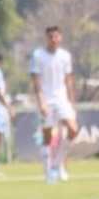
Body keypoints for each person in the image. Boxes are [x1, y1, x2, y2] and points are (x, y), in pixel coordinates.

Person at [30, 26, 77, 183]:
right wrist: (41, 102)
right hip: (47, 99)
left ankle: (57, 164)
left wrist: (71, 102)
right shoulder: (38, 55)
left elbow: (69, 80)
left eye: (56, 36)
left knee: (73, 129)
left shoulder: (65, 56)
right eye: (50, 37)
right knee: (47, 136)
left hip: (62, 99)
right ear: (46, 38)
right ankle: (48, 172)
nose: (53, 39)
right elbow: (36, 81)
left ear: (60, 38)